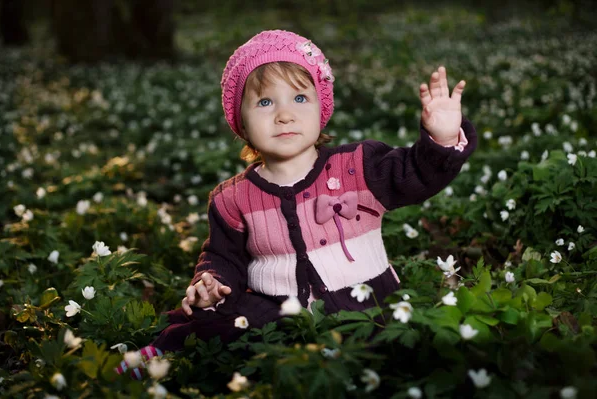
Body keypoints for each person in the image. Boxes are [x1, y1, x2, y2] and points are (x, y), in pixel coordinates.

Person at [116, 29, 477, 378]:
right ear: (240, 121)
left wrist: (441, 138)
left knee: (392, 354)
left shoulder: (358, 167)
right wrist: (212, 281)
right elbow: (224, 256)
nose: (284, 114)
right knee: (214, 329)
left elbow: (414, 174)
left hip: (363, 305)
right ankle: (161, 356)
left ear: (322, 107)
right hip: (273, 308)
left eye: (300, 98)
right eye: (265, 102)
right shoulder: (232, 197)